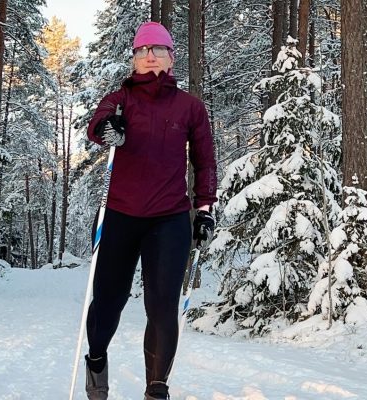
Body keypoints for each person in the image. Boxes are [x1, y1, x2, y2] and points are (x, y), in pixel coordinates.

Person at [84, 21, 217, 400]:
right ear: (134, 59)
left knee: (161, 306)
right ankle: (96, 359)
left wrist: (204, 208)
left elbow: (205, 161)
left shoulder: (190, 107)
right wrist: (110, 128)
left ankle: (156, 389)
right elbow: (97, 125)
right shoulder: (119, 99)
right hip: (120, 215)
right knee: (109, 298)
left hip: (168, 218)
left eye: (157, 49)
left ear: (171, 57)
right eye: (142, 50)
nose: (149, 56)